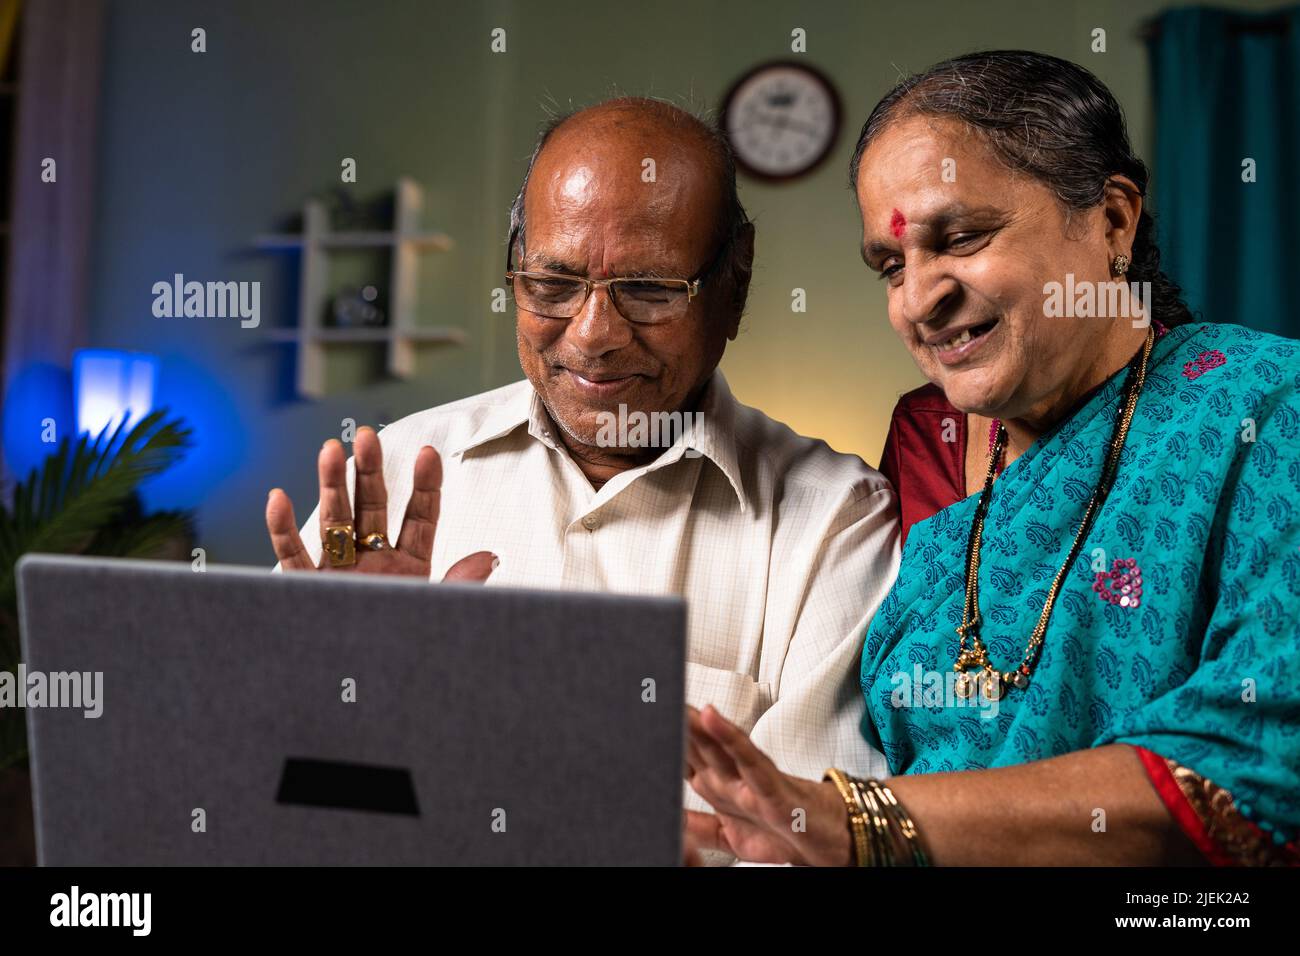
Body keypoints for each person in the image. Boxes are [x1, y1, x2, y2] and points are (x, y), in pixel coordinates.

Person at [684, 51, 1300, 866]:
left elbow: (1260, 759)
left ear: (1112, 221)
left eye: (963, 237)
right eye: (891, 266)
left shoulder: (1263, 409)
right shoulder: (933, 492)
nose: (918, 299)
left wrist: (860, 824)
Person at [264, 98, 900, 821]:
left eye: (649, 290)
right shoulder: (393, 475)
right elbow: (271, 802)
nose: (595, 335)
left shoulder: (831, 522)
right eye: (554, 284)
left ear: (737, 281)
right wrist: (340, 695)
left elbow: (803, 848)